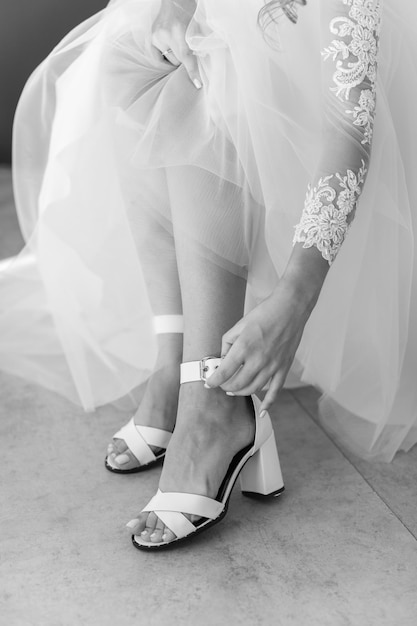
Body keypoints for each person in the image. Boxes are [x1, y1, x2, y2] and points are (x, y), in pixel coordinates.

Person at [0, 0, 416, 549]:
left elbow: (350, 127)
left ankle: (212, 406)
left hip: (325, 104)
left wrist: (295, 297)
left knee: (216, 67)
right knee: (136, 47)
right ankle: (173, 363)